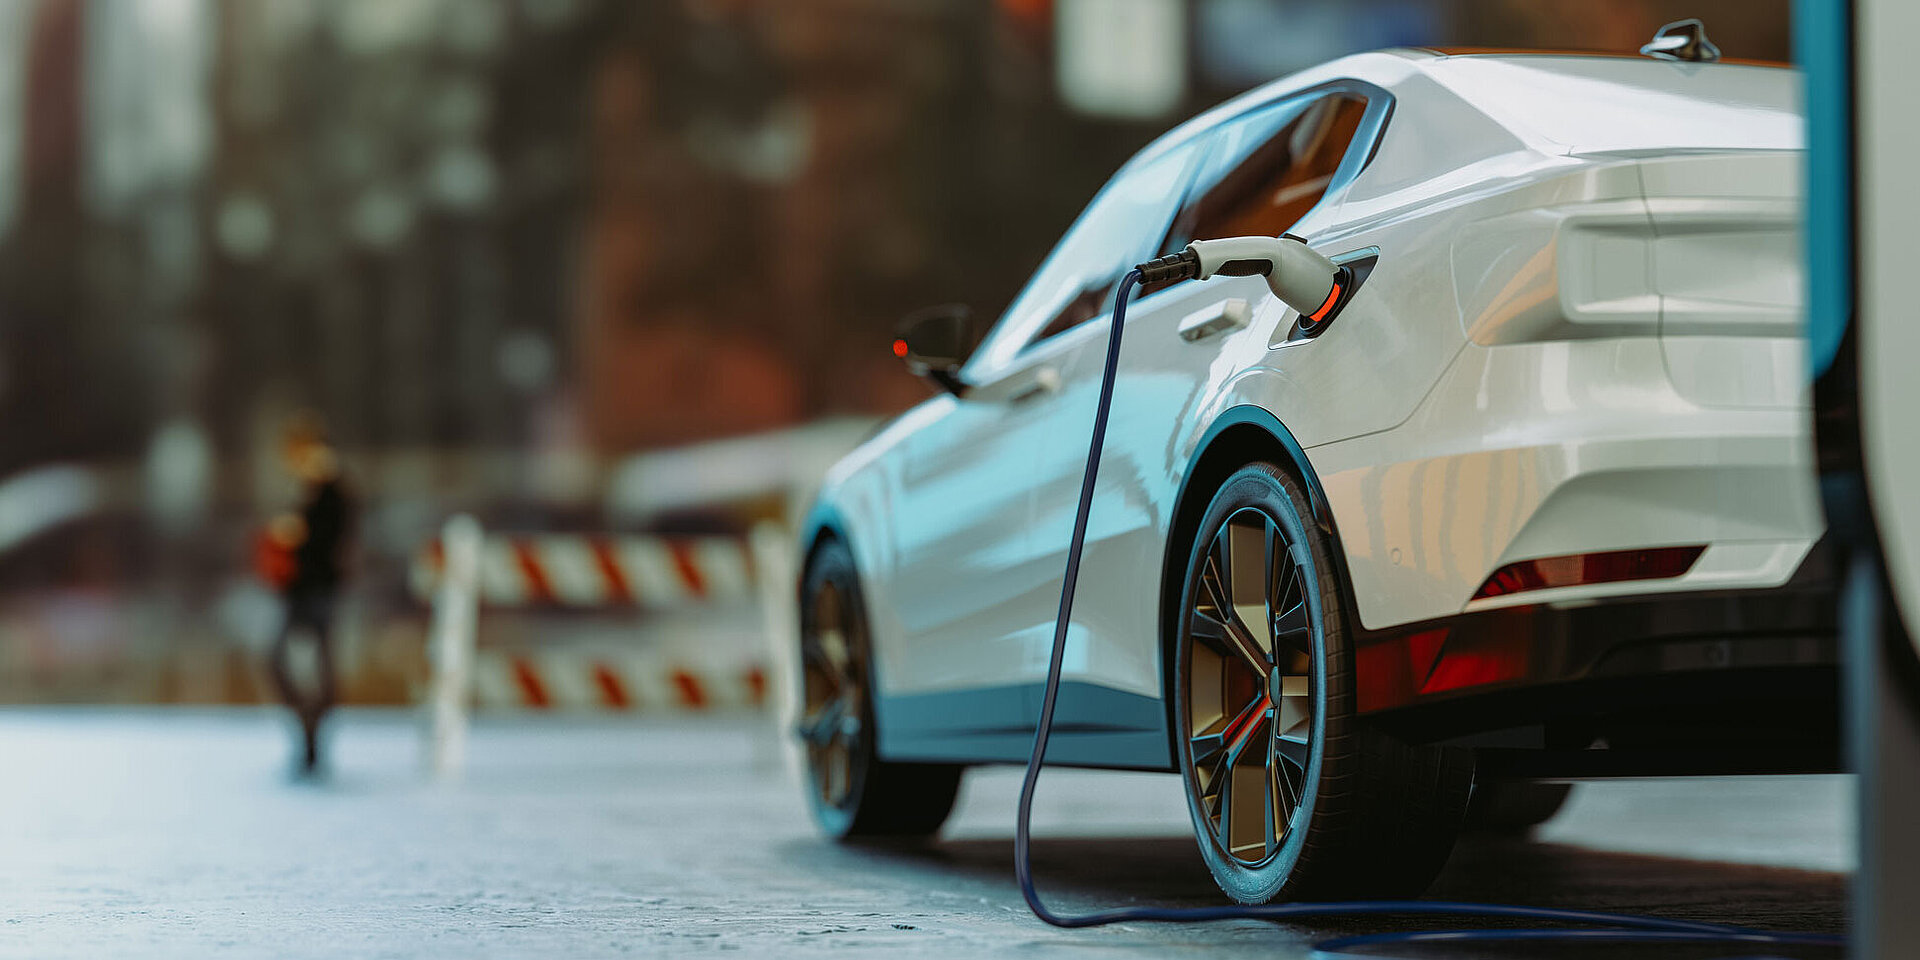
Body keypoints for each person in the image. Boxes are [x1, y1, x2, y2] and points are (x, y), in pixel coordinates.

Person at [260, 414, 354, 774]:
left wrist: (299, 536)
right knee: (285, 662)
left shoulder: (332, 491)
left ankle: (314, 731)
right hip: (298, 591)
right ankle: (308, 727)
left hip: (319, 591)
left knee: (315, 665)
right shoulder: (306, 489)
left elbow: (332, 543)